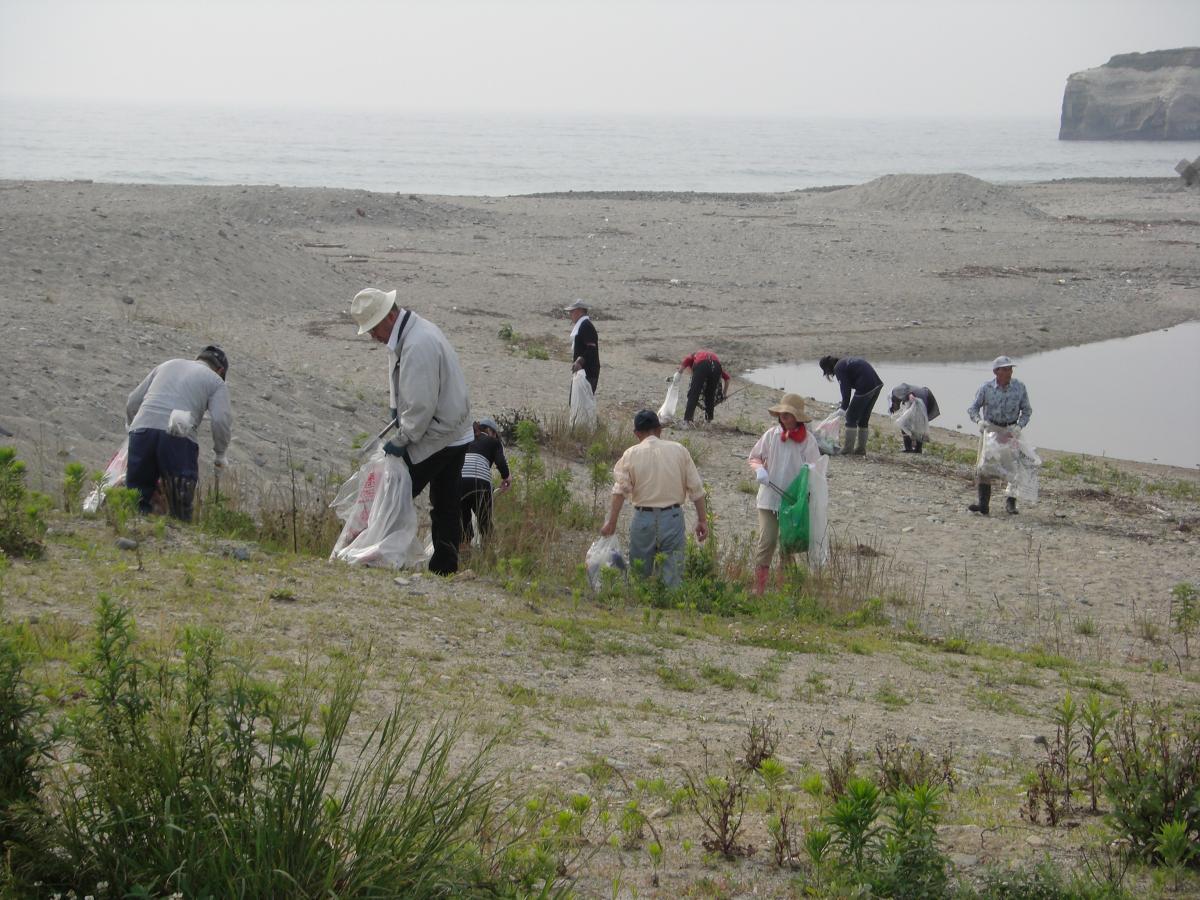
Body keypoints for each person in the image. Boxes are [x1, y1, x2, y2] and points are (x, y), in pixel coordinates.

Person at [350, 287, 473, 575]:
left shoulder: (418, 343)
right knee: (445, 503)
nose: (372, 336)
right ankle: (444, 568)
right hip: (452, 430)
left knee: (394, 491)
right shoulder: (408, 332)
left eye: (373, 328)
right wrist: (395, 409)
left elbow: (420, 406)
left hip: (440, 433)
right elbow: (400, 381)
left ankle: (378, 555)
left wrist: (402, 439)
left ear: (390, 316)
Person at [600, 409, 708, 588]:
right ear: (659, 430)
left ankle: (641, 605)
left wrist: (611, 522)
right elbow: (696, 489)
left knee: (639, 572)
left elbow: (620, 490)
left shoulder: (631, 454)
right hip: (672, 517)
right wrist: (702, 520)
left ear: (637, 434)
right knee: (672, 572)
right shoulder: (679, 450)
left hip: (643, 518)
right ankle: (670, 606)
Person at [125, 345, 232, 522]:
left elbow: (132, 402)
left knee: (136, 499)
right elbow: (220, 420)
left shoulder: (167, 365)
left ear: (198, 358)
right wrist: (220, 453)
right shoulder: (215, 381)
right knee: (179, 503)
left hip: (141, 430)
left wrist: (132, 429)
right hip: (178, 437)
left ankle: (132, 536)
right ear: (220, 370)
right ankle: (175, 543)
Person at [748, 393, 822, 595]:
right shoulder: (771, 435)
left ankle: (785, 591)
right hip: (768, 498)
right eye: (782, 415)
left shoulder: (808, 442)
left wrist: (808, 474)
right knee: (767, 541)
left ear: (797, 417)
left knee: (788, 545)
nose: (784, 418)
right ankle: (759, 588)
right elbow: (754, 457)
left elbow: (816, 470)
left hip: (793, 502)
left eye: (788, 415)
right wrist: (759, 470)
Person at [967, 355, 1033, 516]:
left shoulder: (1019, 387)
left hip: (1010, 431)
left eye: (1010, 369)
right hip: (991, 430)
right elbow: (973, 409)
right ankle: (983, 504)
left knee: (1013, 467)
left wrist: (1019, 426)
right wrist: (979, 422)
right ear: (996, 372)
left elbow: (1027, 410)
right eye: (1005, 369)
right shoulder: (986, 388)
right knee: (984, 468)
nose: (1009, 372)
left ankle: (1011, 502)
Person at [459, 417, 511, 545]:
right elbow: (500, 462)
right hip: (481, 484)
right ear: (489, 431)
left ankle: (465, 552)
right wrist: (507, 477)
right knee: (485, 521)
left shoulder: (466, 439)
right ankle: (489, 552)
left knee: (463, 522)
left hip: (459, 482)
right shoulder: (493, 442)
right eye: (495, 434)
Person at [819, 355, 883, 455]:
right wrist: (844, 405)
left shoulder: (838, 368)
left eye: (827, 372)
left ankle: (848, 449)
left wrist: (844, 407)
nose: (830, 374)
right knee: (863, 419)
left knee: (851, 417)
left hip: (865, 386)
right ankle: (861, 450)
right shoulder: (845, 361)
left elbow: (845, 389)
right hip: (877, 385)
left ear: (828, 367)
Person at [676, 349, 731, 424]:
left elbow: (680, 370)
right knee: (710, 394)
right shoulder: (706, 356)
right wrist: (724, 394)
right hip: (717, 366)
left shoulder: (690, 358)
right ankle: (708, 421)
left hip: (702, 364)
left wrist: (677, 376)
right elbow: (727, 379)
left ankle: (687, 421)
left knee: (693, 393)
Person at [888, 383, 941, 453]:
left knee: (905, 424)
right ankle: (916, 448)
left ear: (894, 400)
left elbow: (910, 395)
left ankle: (910, 448)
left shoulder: (899, 393)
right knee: (916, 425)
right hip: (926, 396)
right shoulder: (901, 391)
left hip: (925, 399)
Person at [564, 299, 600, 393]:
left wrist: (580, 361)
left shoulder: (586, 326)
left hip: (587, 372)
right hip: (583, 372)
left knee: (583, 403)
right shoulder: (583, 325)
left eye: (572, 311)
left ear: (579, 311)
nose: (570, 315)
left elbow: (591, 348)